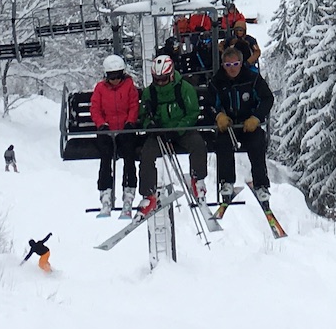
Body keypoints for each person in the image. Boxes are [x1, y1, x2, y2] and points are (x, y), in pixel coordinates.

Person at [137, 51, 208, 206]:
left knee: (197, 144)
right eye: (157, 80)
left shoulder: (184, 88)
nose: (160, 83)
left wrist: (178, 129)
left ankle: (198, 179)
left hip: (181, 131)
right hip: (159, 133)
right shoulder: (150, 92)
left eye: (163, 79)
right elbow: (143, 115)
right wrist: (150, 125)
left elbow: (192, 112)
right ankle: (148, 193)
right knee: (147, 154)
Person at [209, 42, 275, 203]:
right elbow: (209, 104)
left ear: (241, 63)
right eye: (228, 65)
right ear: (223, 65)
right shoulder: (218, 81)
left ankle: (261, 184)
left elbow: (267, 98)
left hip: (249, 124)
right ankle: (226, 182)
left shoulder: (252, 79)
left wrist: (256, 117)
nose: (232, 68)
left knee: (257, 142)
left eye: (236, 64)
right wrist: (218, 116)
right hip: (230, 126)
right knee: (223, 143)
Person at [90, 54, 141, 210]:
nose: (115, 80)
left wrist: (130, 122)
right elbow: (95, 108)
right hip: (107, 130)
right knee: (105, 156)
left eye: (117, 76)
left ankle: (129, 190)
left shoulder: (129, 86)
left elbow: (133, 105)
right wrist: (101, 124)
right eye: (111, 77)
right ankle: (105, 192)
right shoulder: (100, 89)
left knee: (129, 155)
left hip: (125, 129)